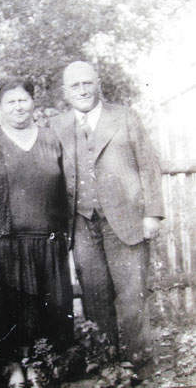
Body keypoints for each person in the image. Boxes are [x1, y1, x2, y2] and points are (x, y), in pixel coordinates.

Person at [50, 61, 164, 365]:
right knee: (95, 296)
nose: (82, 90)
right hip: (82, 223)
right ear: (65, 92)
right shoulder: (55, 126)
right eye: (75, 85)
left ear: (98, 84)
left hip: (126, 221)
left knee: (132, 294)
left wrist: (152, 214)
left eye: (87, 83)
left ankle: (139, 364)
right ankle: (108, 365)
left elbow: (149, 166)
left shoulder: (125, 117)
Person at [0, 78, 74, 388]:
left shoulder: (51, 139)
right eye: (10, 102)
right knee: (6, 309)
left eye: (23, 100)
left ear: (33, 102)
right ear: (0, 107)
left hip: (46, 240)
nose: (18, 106)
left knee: (44, 309)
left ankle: (38, 366)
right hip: (3, 242)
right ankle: (14, 368)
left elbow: (66, 189)